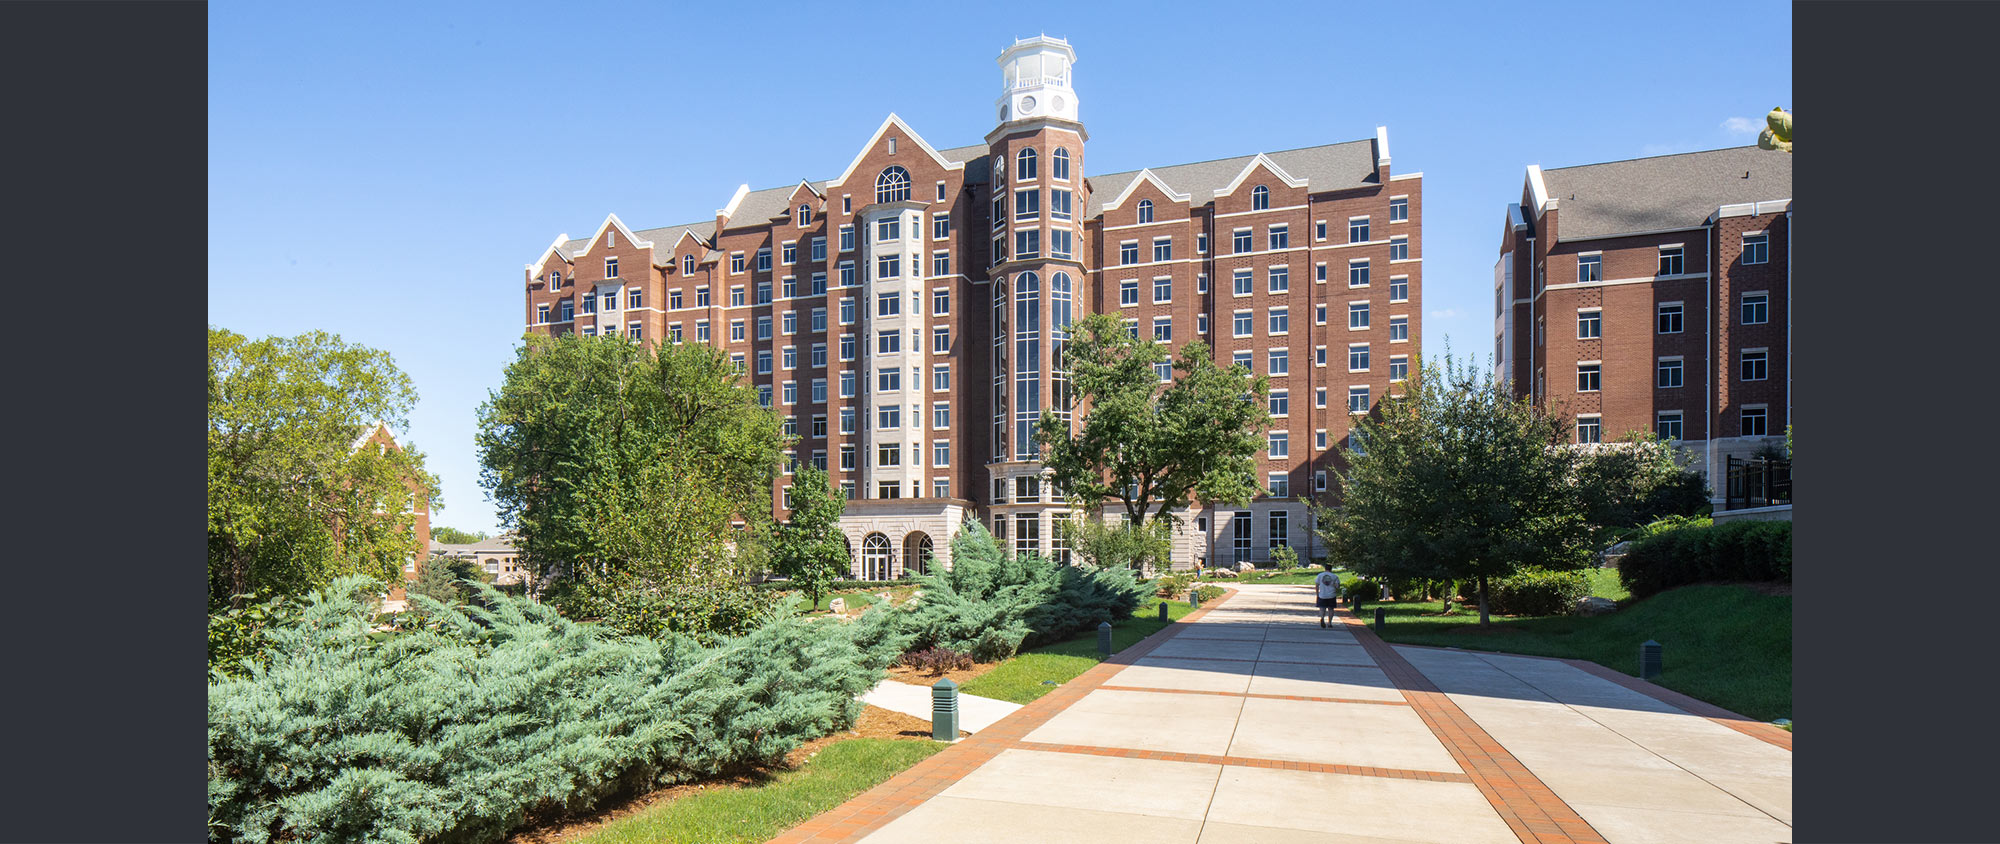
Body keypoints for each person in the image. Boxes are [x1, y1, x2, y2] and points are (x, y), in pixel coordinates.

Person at [1314, 563, 1341, 628]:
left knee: (1322, 608)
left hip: (1322, 595)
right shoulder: (1335, 576)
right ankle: (1329, 622)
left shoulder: (1320, 575)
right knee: (1331, 609)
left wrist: (1317, 594)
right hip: (1331, 595)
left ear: (1325, 568)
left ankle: (1322, 618)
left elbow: (1317, 585)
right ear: (1331, 569)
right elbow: (1337, 586)